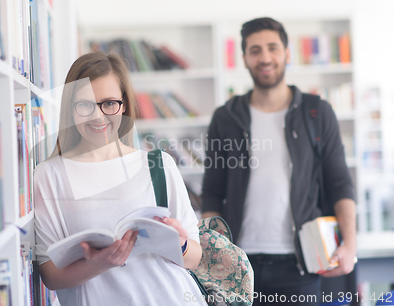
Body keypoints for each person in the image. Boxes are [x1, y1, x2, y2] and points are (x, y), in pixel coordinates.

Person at [200, 17, 356, 305]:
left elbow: (340, 183)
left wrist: (350, 243)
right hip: (237, 265)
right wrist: (212, 250)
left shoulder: (317, 113)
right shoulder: (226, 117)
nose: (265, 57)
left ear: (287, 53)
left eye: (272, 47)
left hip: (300, 264)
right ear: (244, 58)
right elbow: (212, 191)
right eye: (255, 50)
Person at [34, 52, 206, 305]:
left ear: (123, 105)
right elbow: (50, 275)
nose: (98, 116)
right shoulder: (50, 175)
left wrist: (180, 244)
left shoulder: (158, 165)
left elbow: (194, 258)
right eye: (85, 105)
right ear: (70, 109)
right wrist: (100, 264)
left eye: (109, 103)